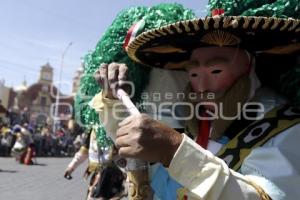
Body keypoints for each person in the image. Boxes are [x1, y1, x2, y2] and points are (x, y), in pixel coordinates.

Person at [90, 0, 300, 199]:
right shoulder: (196, 123)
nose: (202, 87)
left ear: (249, 68)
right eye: (193, 74)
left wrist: (175, 150)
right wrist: (113, 97)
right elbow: (142, 155)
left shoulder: (287, 128)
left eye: (216, 70)